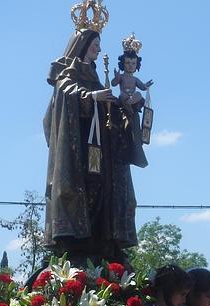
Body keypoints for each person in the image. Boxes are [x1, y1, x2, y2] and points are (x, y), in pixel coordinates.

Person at [42, 29, 146, 266]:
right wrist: (91, 97)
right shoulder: (67, 71)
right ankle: (79, 245)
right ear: (82, 44)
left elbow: (107, 112)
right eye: (95, 45)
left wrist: (126, 106)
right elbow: (66, 93)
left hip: (102, 150)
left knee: (109, 190)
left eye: (99, 45)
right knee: (84, 190)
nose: (98, 49)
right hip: (79, 151)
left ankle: (107, 243)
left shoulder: (96, 76)